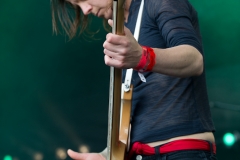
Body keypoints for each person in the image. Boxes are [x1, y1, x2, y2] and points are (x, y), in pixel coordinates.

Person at [51, 0, 217, 159]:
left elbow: (194, 60)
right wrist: (105, 155)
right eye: (77, 6)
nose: (85, 10)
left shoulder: (157, 2)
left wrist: (143, 57)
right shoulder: (125, 25)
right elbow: (135, 117)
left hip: (182, 152)